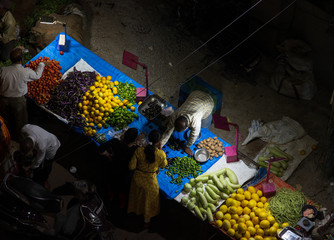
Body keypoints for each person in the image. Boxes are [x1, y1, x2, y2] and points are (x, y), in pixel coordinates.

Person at [0, 47, 49, 140]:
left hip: (3, 100)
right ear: (22, 59)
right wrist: (41, 64)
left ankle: (6, 135)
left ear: (11, 59)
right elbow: (37, 76)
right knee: (20, 121)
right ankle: (19, 138)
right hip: (18, 101)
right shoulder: (25, 72)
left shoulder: (3, 70)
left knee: (5, 118)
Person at [127, 130, 167, 226]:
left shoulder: (139, 150)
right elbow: (164, 165)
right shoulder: (160, 154)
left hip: (137, 180)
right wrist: (160, 150)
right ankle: (146, 222)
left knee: (137, 197)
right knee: (148, 202)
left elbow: (131, 167)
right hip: (150, 182)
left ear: (149, 139)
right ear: (159, 141)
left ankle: (135, 212)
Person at [98, 128, 142, 209]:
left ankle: (110, 195)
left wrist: (108, 155)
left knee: (111, 184)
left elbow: (101, 149)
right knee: (122, 188)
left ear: (124, 136)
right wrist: (138, 143)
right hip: (124, 175)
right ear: (134, 140)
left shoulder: (115, 142)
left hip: (112, 168)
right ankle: (120, 202)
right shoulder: (136, 150)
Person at [160, 90, 214, 155]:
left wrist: (187, 147)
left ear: (186, 128)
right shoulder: (175, 115)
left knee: (205, 125)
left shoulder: (196, 122)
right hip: (196, 94)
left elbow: (194, 135)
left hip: (207, 103)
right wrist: (161, 144)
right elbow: (168, 131)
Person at [19, 124, 61, 188]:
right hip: (43, 139)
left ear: (32, 147)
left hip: (52, 146)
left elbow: (39, 161)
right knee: (36, 155)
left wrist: (31, 169)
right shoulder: (24, 129)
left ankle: (42, 180)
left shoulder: (42, 146)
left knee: (47, 164)